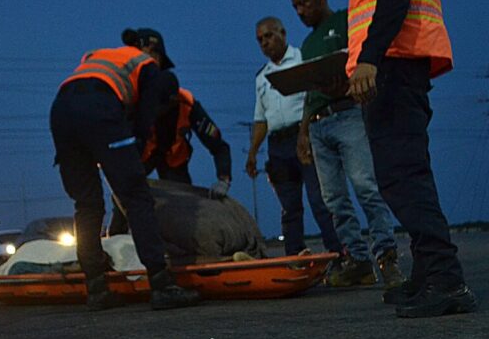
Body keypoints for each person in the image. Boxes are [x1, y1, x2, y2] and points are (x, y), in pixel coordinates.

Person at [346, 0, 477, 317]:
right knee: (405, 172)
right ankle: (427, 273)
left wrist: (369, 59)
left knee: (403, 175)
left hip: (394, 64)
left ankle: (446, 278)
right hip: (394, 64)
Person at [50, 29, 200, 311]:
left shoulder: (101, 56)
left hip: (61, 111)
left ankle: (96, 289)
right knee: (136, 196)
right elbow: (146, 114)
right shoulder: (149, 66)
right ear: (153, 52)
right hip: (99, 106)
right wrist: (138, 144)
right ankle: (161, 284)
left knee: (87, 205)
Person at [288, 0, 404, 289]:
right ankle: (357, 260)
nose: (300, 11)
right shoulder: (308, 44)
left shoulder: (345, 21)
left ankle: (386, 254)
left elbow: (361, 59)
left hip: (348, 113)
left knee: (366, 186)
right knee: (334, 199)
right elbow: (309, 94)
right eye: (295, 6)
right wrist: (302, 133)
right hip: (318, 123)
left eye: (304, 3)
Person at [109, 29, 232, 235]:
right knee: (124, 201)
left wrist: (223, 179)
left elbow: (219, 146)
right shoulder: (127, 100)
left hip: (174, 163)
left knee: (185, 212)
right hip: (139, 159)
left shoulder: (186, 103)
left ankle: (188, 252)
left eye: (150, 56)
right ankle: (115, 245)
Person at [245, 17, 343, 257]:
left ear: (283, 33)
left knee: (319, 200)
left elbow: (314, 100)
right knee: (289, 207)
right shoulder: (262, 77)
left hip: (305, 139)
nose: (265, 43)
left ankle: (339, 253)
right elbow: (261, 118)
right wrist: (252, 153)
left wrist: (307, 133)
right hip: (277, 147)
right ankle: (294, 255)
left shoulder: (302, 60)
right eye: (260, 40)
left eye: (269, 36)